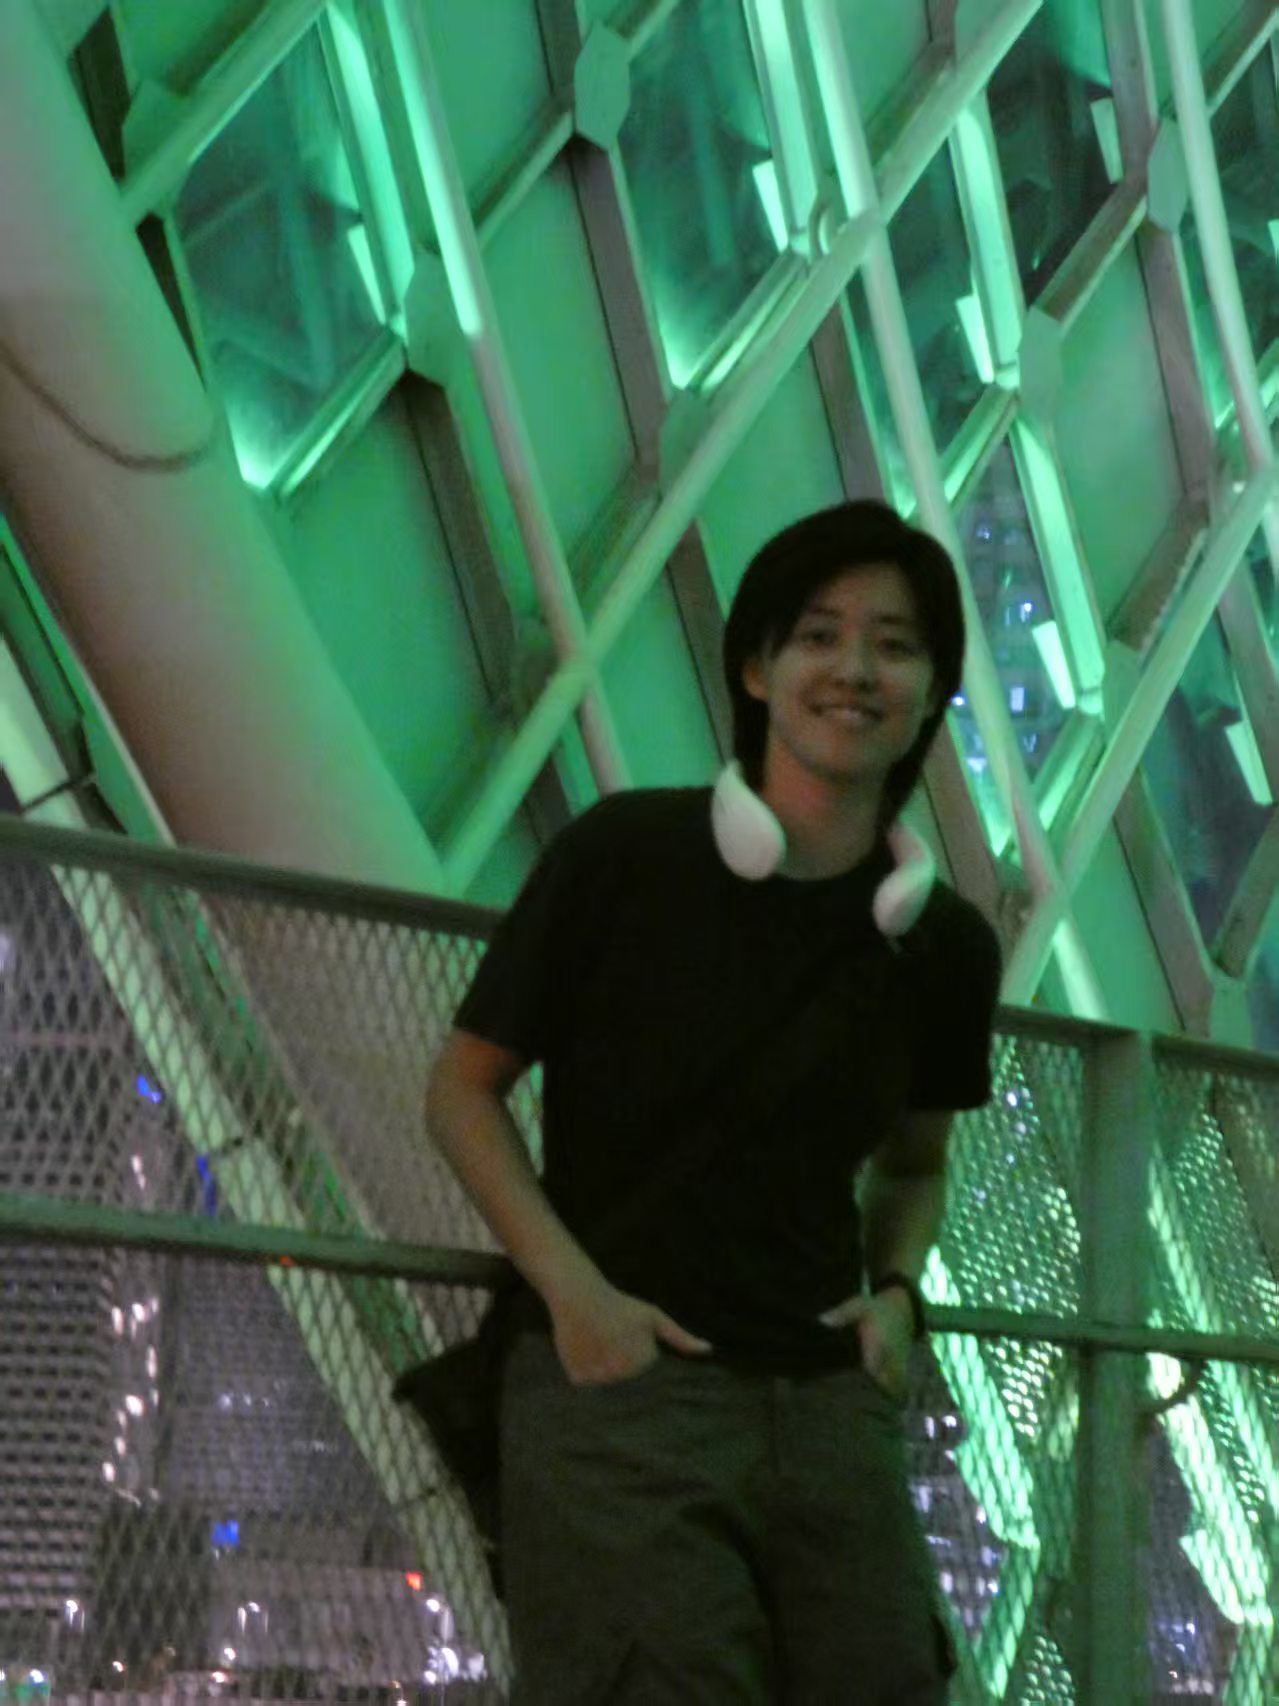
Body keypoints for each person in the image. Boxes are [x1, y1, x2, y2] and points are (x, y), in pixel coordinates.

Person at [425, 500, 1002, 1703]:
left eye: (894, 645)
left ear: (932, 690)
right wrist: (577, 1298)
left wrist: (898, 1295)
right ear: (756, 668)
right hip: (623, 1390)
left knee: (890, 1677)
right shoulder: (625, 858)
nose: (854, 669)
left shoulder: (940, 945)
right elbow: (462, 1091)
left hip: (828, 1396)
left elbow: (914, 1163)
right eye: (819, 635)